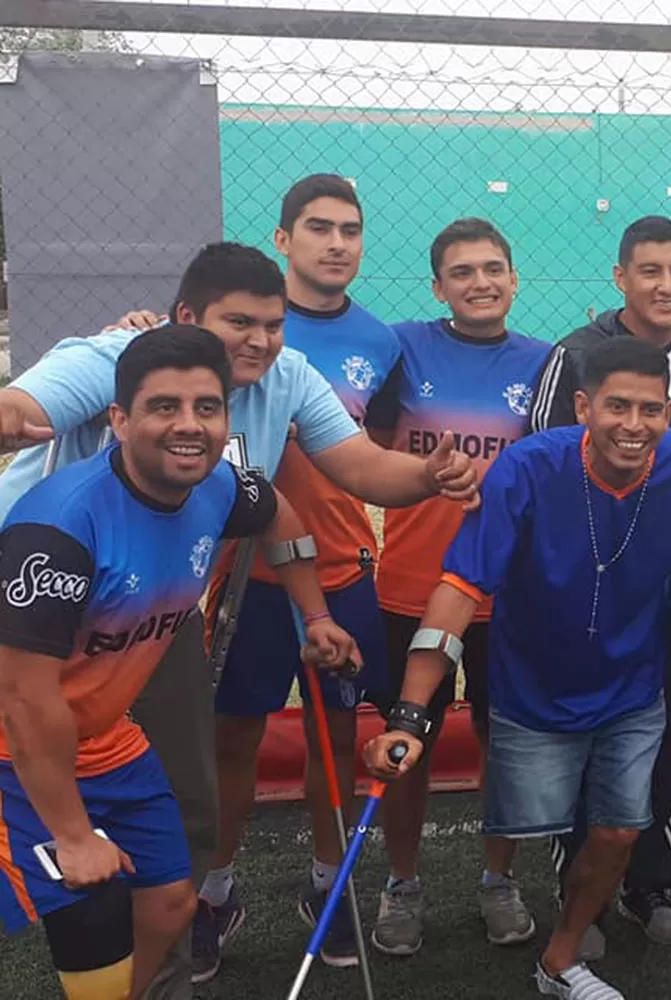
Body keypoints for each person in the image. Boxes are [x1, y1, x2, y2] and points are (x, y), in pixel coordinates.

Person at [0, 241, 477, 999]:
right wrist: (69, 832)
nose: (258, 340)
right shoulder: (120, 362)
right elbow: (22, 410)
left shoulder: (267, 400)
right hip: (38, 612)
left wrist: (425, 480)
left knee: (178, 820)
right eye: (238, 324)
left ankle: (169, 959)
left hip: (146, 616)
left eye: (272, 324)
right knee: (65, 859)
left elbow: (316, 485)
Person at [364, 337, 671, 1000]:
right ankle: (499, 891)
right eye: (616, 406)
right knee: (528, 821)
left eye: (650, 410)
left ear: (670, 412)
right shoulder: (528, 468)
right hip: (535, 688)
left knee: (617, 829)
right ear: (583, 406)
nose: (633, 426)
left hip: (632, 687)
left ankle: (558, 960)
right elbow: (462, 587)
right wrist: (410, 712)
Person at [0, 325, 359, 1000]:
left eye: (207, 408)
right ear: (120, 419)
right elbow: (23, 702)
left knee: (170, 901)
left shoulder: (218, 488)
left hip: (104, 740)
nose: (188, 426)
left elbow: (277, 510)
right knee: (90, 908)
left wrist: (315, 616)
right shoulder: (58, 530)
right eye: (164, 407)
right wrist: (73, 835)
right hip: (14, 750)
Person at [530, 216, 671, 949]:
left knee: (665, 739)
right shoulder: (574, 358)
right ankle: (576, 893)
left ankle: (650, 882)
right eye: (651, 271)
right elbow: (544, 471)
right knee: (585, 740)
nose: (668, 285)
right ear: (620, 278)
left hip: (669, 589)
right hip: (587, 592)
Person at [364, 217, 553, 955]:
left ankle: (497, 879)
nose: (481, 282)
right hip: (410, 588)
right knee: (408, 742)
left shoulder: (545, 363)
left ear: (513, 279)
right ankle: (402, 883)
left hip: (508, 595)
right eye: (463, 272)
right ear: (438, 286)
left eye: (493, 268)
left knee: (504, 742)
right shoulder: (401, 347)